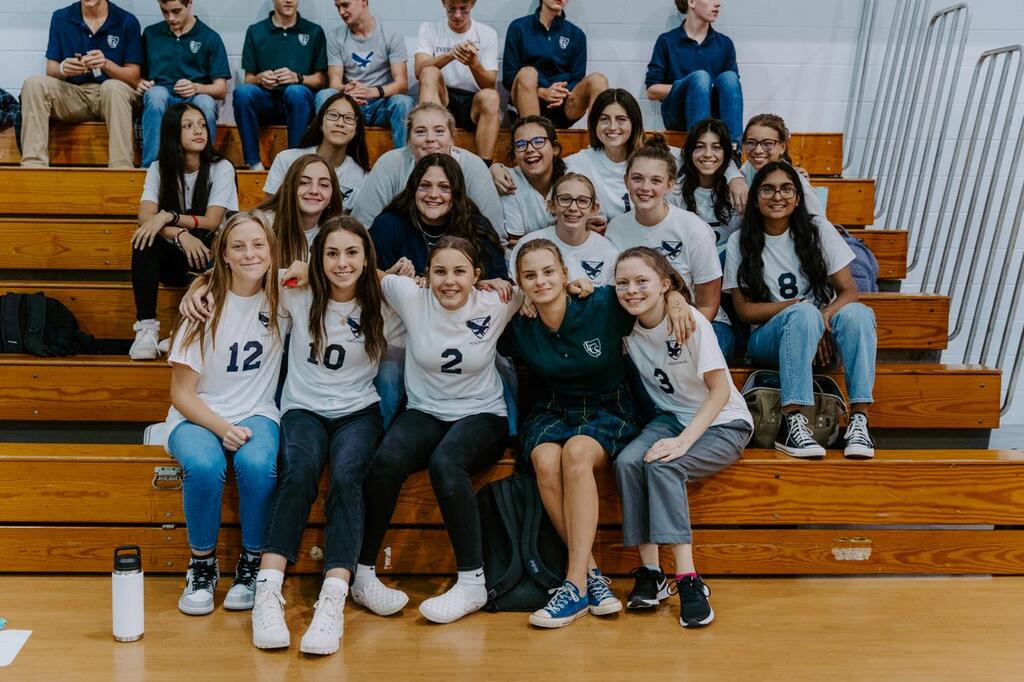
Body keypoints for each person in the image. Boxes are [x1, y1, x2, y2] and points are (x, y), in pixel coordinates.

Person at [502, 239, 692, 629]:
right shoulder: (520, 324)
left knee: (575, 452)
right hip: (553, 408)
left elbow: (651, 294)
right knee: (543, 459)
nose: (541, 282)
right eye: (530, 276)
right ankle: (590, 576)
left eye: (549, 272)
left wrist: (676, 300)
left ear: (565, 273)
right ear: (520, 282)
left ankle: (572, 586)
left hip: (609, 406)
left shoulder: (602, 304)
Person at [250, 217, 404, 655]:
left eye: (352, 253)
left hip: (358, 412)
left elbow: (439, 303)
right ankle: (268, 590)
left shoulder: (384, 305)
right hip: (303, 409)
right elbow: (248, 272)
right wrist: (202, 287)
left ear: (367, 258)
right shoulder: (298, 293)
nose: (342, 263)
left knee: (348, 476)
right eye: (331, 253)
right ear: (317, 258)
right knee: (299, 471)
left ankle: (333, 598)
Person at [352, 236, 521, 624]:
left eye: (460, 272)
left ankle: (472, 582)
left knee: (446, 463)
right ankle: (362, 575)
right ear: (428, 274)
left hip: (482, 414)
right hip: (425, 410)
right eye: (440, 271)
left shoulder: (497, 300)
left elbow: (543, 289)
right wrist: (303, 270)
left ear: (476, 275)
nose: (450, 281)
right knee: (385, 461)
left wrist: (512, 286)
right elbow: (361, 270)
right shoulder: (412, 296)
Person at [613, 246, 751, 628]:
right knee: (627, 462)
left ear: (664, 284)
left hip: (723, 421)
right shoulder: (623, 325)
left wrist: (683, 442)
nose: (632, 290)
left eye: (642, 281)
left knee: (664, 466)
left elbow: (719, 392)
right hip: (672, 417)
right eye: (623, 283)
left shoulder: (690, 321)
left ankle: (688, 578)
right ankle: (651, 573)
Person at [164, 210, 283, 616]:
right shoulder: (202, 308)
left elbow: (316, 271)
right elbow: (181, 393)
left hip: (257, 410)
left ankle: (251, 565)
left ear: (272, 251)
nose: (250, 254)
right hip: (198, 414)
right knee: (203, 464)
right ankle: (202, 566)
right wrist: (221, 427)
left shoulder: (284, 297)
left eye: (259, 245)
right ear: (224, 255)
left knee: (257, 463)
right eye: (239, 246)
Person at [723, 162, 876, 459]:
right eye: (767, 189)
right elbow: (744, 311)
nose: (777, 196)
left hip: (822, 339)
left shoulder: (818, 230)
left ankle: (860, 420)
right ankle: (792, 421)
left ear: (797, 198)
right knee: (802, 314)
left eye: (786, 189)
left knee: (859, 313)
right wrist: (798, 309)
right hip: (768, 340)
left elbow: (849, 291)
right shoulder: (739, 241)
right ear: (755, 198)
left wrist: (821, 319)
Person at [606, 137, 733, 358]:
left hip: (702, 322)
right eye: (637, 178)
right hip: (644, 327)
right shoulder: (616, 228)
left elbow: (708, 305)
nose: (645, 188)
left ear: (670, 185)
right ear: (626, 181)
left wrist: (675, 337)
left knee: (686, 362)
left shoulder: (693, 228)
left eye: (656, 180)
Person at [129, 103, 237, 360]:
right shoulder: (159, 169)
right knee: (144, 239)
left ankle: (189, 327)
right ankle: (146, 328)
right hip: (175, 259)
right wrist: (179, 234)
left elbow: (212, 221)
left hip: (211, 261)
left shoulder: (221, 167)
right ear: (172, 133)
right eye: (188, 126)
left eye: (202, 125)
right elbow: (145, 217)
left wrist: (168, 216)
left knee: (202, 235)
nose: (199, 131)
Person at [350, 102, 502, 239]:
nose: (430, 138)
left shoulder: (472, 166)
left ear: (451, 138)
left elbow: (493, 232)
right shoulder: (390, 163)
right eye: (420, 131)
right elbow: (362, 226)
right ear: (408, 140)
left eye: (439, 131)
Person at [20, 0, 142, 168]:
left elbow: (134, 78)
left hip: (112, 97)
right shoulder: (61, 17)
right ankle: (33, 166)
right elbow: (51, 69)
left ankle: (121, 168)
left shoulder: (127, 20)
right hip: (74, 94)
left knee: (112, 87)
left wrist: (106, 64)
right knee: (33, 84)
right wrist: (64, 68)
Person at [370, 153, 508, 283]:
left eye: (444, 187)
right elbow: (367, 279)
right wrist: (390, 278)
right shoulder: (387, 225)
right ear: (413, 190)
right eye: (425, 186)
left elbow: (499, 283)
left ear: (456, 193)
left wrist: (482, 285)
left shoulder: (476, 227)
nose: (433, 194)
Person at [233, 0, 327, 170]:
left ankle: (294, 162)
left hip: (299, 105)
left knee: (295, 91)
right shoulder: (255, 31)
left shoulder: (314, 31)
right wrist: (260, 78)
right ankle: (254, 163)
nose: (289, 1)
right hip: (267, 102)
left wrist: (298, 78)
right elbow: (249, 79)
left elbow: (321, 80)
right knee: (242, 93)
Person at [138, 0, 230, 167]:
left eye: (176, 11)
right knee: (155, 95)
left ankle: (204, 166)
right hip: (162, 95)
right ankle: (152, 167)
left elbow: (221, 89)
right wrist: (141, 83)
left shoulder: (209, 37)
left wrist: (196, 87)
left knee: (205, 102)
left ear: (189, 4)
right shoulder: (151, 34)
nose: (170, 18)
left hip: (194, 98)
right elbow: (139, 76)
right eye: (164, 12)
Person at [645, 0, 742, 150]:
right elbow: (652, 90)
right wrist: (690, 87)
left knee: (730, 78)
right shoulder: (667, 41)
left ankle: (734, 150)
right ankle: (698, 148)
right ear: (691, 2)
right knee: (700, 79)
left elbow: (731, 90)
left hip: (715, 116)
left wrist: (705, 89)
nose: (717, 3)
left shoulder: (725, 43)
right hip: (678, 114)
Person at [317, 0, 414, 148]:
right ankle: (326, 157)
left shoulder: (390, 34)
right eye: (338, 7)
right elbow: (334, 83)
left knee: (404, 102)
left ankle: (405, 159)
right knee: (324, 95)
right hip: (350, 104)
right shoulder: (335, 36)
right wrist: (348, 90)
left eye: (345, 5)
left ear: (363, 1)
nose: (341, 12)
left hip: (380, 105)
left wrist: (372, 92)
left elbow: (402, 84)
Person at [415, 0, 501, 165]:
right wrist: (451, 54)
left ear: (472, 4)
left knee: (491, 96)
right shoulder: (429, 28)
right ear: (443, 3)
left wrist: (473, 64)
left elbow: (490, 85)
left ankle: (484, 167)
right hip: (443, 99)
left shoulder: (487, 33)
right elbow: (419, 71)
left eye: (463, 10)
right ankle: (430, 161)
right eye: (451, 10)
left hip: (473, 103)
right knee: (429, 72)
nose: (457, 15)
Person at [502, 0, 608, 129]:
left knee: (598, 80)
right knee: (528, 73)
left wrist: (558, 93)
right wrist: (542, 92)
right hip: (527, 100)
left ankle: (598, 140)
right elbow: (509, 77)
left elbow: (577, 78)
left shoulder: (576, 34)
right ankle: (535, 135)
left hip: (562, 105)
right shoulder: (519, 27)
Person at [263, 92, 369, 212]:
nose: (340, 123)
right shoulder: (286, 160)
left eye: (349, 118)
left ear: (356, 130)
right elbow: (269, 212)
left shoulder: (361, 177)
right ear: (320, 123)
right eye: (333, 115)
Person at [509, 172, 619, 286]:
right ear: (551, 205)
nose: (573, 208)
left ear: (594, 209)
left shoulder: (609, 252)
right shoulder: (528, 245)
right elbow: (519, 292)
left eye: (582, 201)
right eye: (565, 199)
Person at [256, 153, 344, 268]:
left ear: (333, 194)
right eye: (304, 183)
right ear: (290, 188)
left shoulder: (337, 231)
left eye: (323, 185)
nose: (314, 191)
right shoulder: (262, 226)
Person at [490, 116, 564, 244]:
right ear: (514, 155)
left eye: (538, 141)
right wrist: (494, 167)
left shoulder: (571, 176)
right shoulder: (508, 181)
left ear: (555, 149)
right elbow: (515, 242)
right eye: (520, 144)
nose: (529, 149)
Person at [673, 117, 739, 254]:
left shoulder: (737, 190)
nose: (708, 154)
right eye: (700, 147)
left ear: (726, 153)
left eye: (716, 147)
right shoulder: (674, 191)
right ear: (690, 152)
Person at [740, 113, 824, 219]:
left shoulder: (797, 181)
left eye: (768, 143)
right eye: (751, 143)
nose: (758, 150)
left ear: (782, 147)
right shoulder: (742, 174)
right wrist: (734, 179)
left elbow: (819, 219)